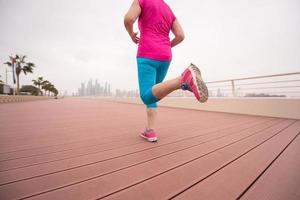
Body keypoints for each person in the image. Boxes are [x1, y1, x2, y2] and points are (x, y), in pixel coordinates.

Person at [124, 0, 208, 142]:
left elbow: (128, 19)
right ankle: (150, 131)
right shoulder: (168, 9)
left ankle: (182, 80)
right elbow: (180, 35)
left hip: (147, 53)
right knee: (155, 92)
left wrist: (131, 33)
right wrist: (165, 45)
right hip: (165, 56)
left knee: (146, 96)